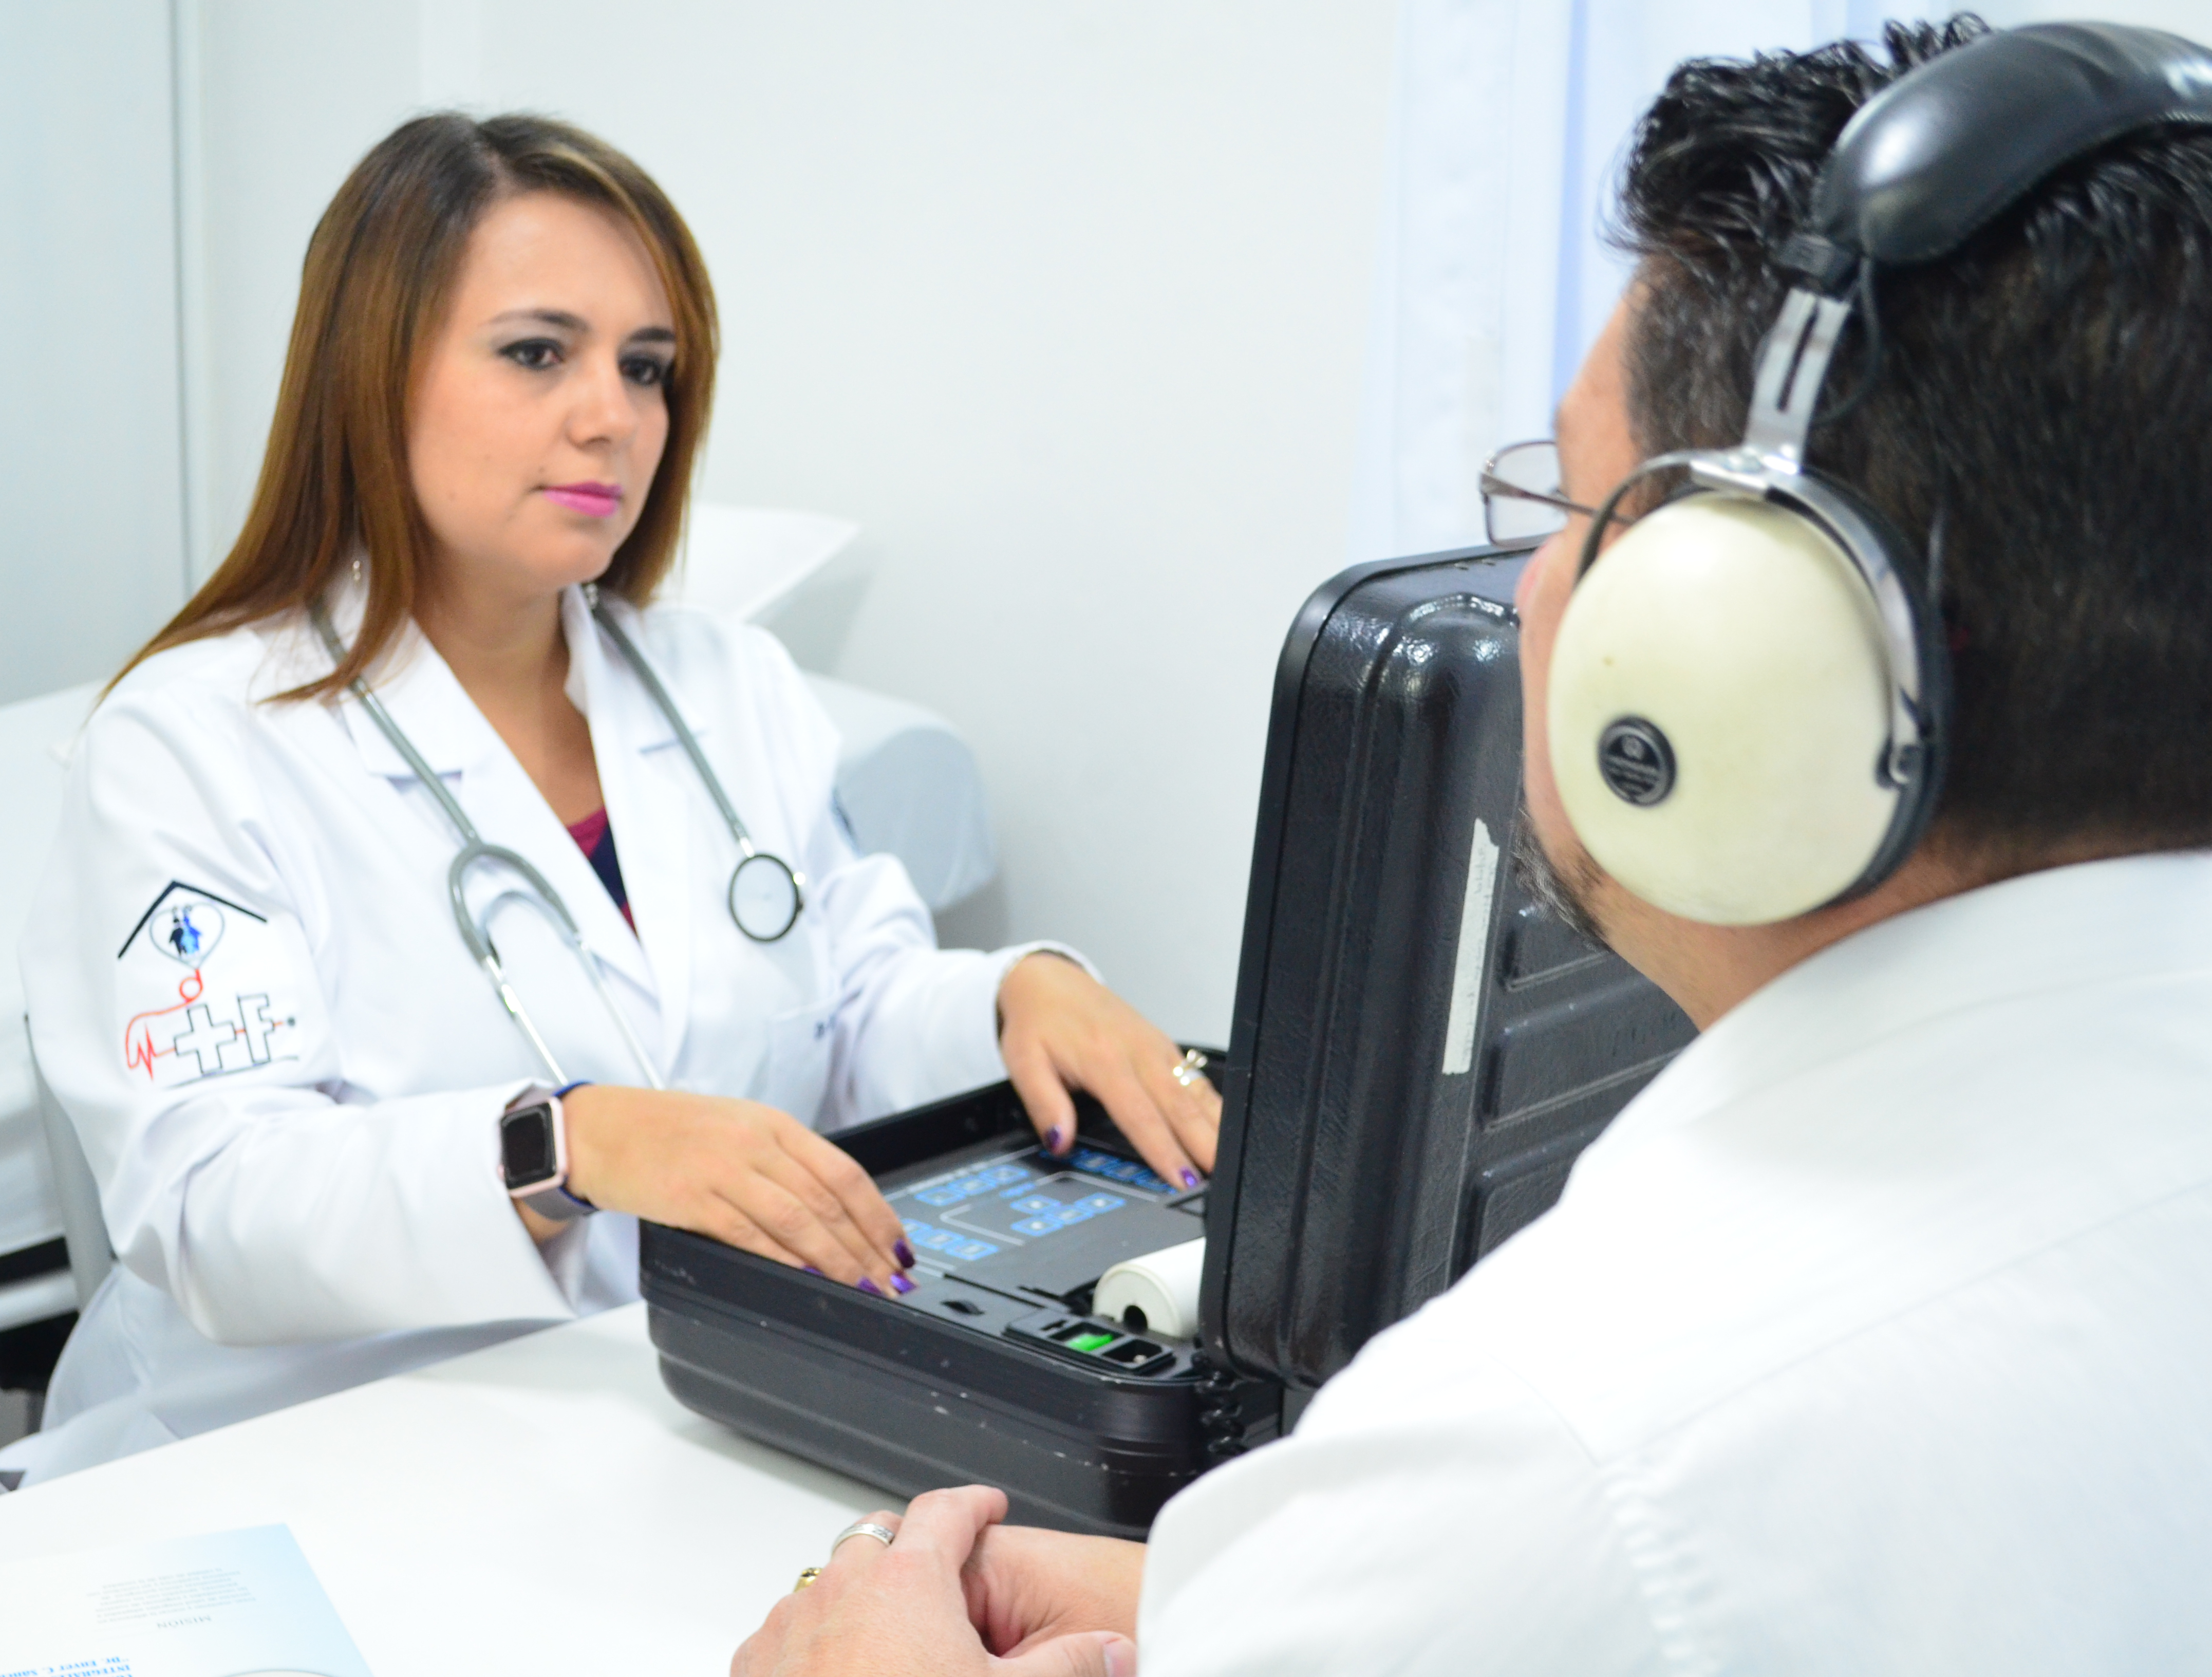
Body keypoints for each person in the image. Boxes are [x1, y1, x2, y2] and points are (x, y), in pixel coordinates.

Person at [735, 19, 2212, 1673]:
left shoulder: (1570, 1453)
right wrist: (1260, 1611)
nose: (1529, 594)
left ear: (1736, 646)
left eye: (1576, 515)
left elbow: (1586, 1549)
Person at [0, 113, 1217, 1489]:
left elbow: (852, 1013)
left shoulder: (727, 685)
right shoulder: (194, 746)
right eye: (538, 353)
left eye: (646, 368)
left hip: (679, 1426)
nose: (612, 416)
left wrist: (1012, 1001)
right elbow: (210, 1210)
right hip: (298, 1461)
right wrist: (568, 1143)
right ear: (371, 376)